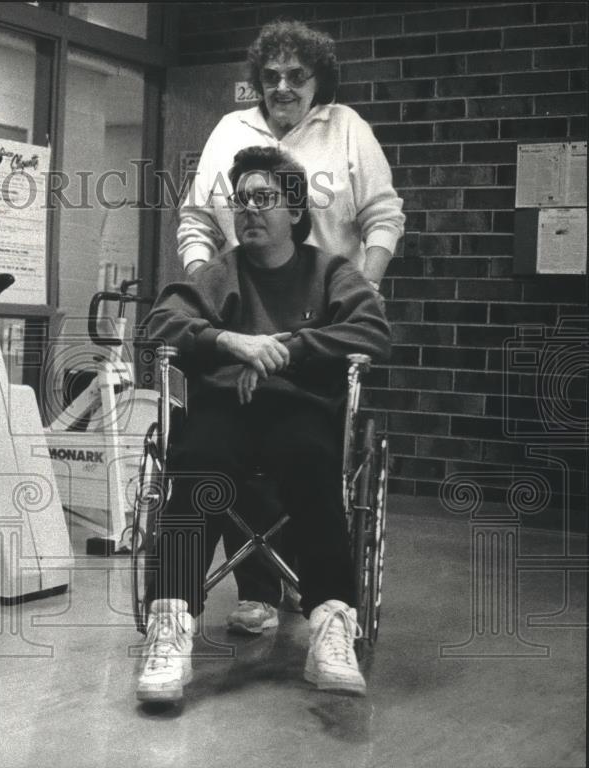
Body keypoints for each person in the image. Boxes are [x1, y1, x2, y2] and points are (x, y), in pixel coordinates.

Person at [137, 146, 390, 703]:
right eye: (241, 199)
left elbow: (372, 332)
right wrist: (231, 341)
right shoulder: (217, 273)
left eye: (263, 198)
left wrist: (286, 349)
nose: (248, 209)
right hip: (224, 412)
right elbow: (161, 322)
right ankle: (171, 622)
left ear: (294, 212)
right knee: (196, 462)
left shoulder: (330, 273)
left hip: (297, 409)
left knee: (314, 460)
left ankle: (330, 620)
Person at [177, 19, 404, 632]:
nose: (282, 87)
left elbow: (384, 215)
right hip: (238, 314)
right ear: (257, 81)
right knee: (215, 439)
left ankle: (317, 590)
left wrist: (360, 292)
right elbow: (197, 221)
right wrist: (213, 293)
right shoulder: (230, 131)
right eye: (271, 77)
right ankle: (255, 586)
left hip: (320, 315)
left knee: (304, 443)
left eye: (296, 77)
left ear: (316, 81)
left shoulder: (347, 130)